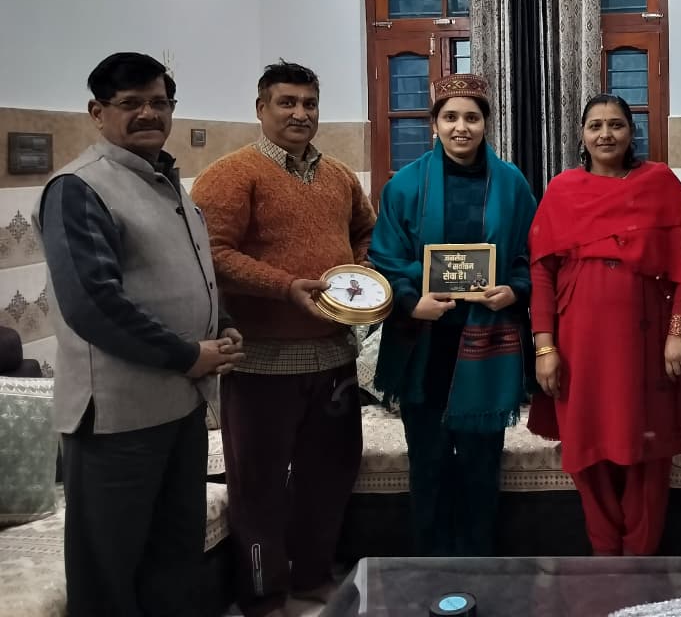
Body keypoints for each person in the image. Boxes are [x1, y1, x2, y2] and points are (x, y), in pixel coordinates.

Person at [35, 52, 244, 617]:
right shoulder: (79, 187)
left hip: (180, 408)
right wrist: (187, 355)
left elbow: (192, 274)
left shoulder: (167, 183)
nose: (148, 113)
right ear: (97, 112)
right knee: (109, 572)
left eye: (158, 102)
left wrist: (222, 325)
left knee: (174, 560)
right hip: (116, 420)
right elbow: (93, 304)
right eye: (130, 103)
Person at [191, 61, 375, 617]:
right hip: (261, 365)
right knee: (259, 487)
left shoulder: (339, 176)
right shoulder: (232, 174)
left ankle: (315, 577)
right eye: (287, 102)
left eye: (309, 103)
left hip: (333, 357)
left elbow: (366, 231)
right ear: (261, 109)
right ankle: (264, 594)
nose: (300, 113)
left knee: (330, 476)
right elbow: (212, 254)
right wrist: (285, 286)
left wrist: (361, 274)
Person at [527, 94, 681, 556]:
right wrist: (545, 347)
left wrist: (678, 331)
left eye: (616, 125)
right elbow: (542, 273)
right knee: (586, 448)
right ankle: (606, 556)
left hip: (647, 339)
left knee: (647, 449)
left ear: (631, 132)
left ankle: (640, 560)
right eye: (595, 126)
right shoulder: (562, 190)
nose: (605, 134)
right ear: (582, 135)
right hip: (578, 341)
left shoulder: (659, 183)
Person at [369, 73, 537, 556]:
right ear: (434, 125)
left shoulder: (512, 184)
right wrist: (411, 300)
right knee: (429, 464)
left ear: (486, 124)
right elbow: (384, 256)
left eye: (471, 117)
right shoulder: (404, 185)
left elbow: (530, 252)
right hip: (426, 345)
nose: (460, 127)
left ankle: (479, 565)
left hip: (488, 343)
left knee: (482, 466)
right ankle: (432, 567)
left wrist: (514, 289)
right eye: (450, 117)